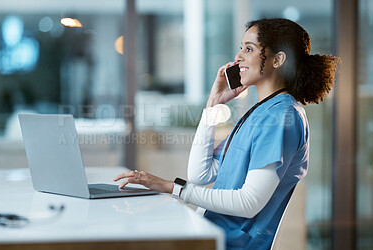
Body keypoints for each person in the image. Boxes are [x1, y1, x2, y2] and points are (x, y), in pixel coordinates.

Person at [113, 18, 339, 250]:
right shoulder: (260, 112)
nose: (238, 56)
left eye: (249, 49)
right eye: (241, 47)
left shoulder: (281, 117)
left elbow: (249, 202)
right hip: (213, 236)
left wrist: (170, 187)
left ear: (278, 59)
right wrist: (213, 104)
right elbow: (201, 173)